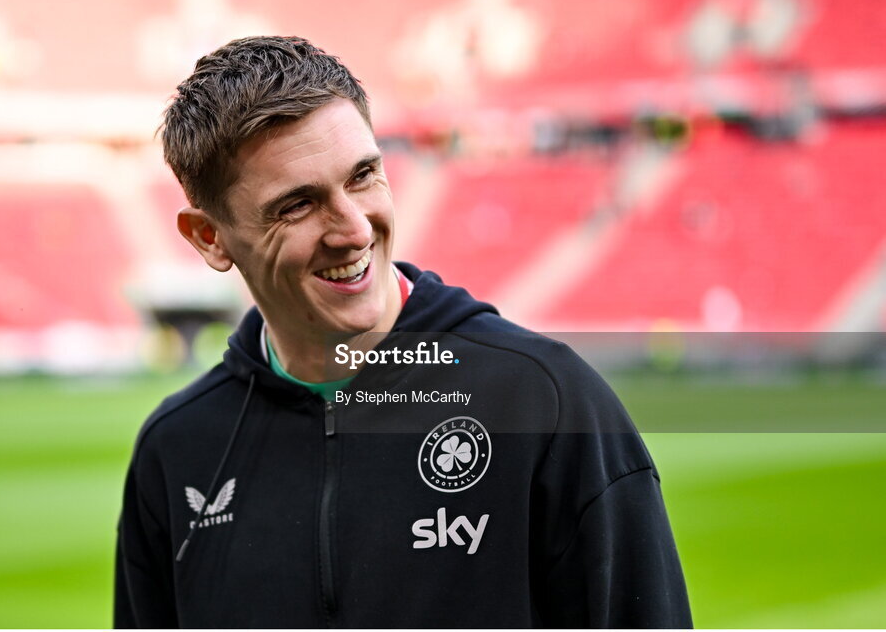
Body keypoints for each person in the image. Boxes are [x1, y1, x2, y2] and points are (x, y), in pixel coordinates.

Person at [114, 35, 692, 628]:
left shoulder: (546, 400)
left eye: (364, 175)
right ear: (211, 238)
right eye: (298, 205)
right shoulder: (177, 449)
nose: (355, 229)